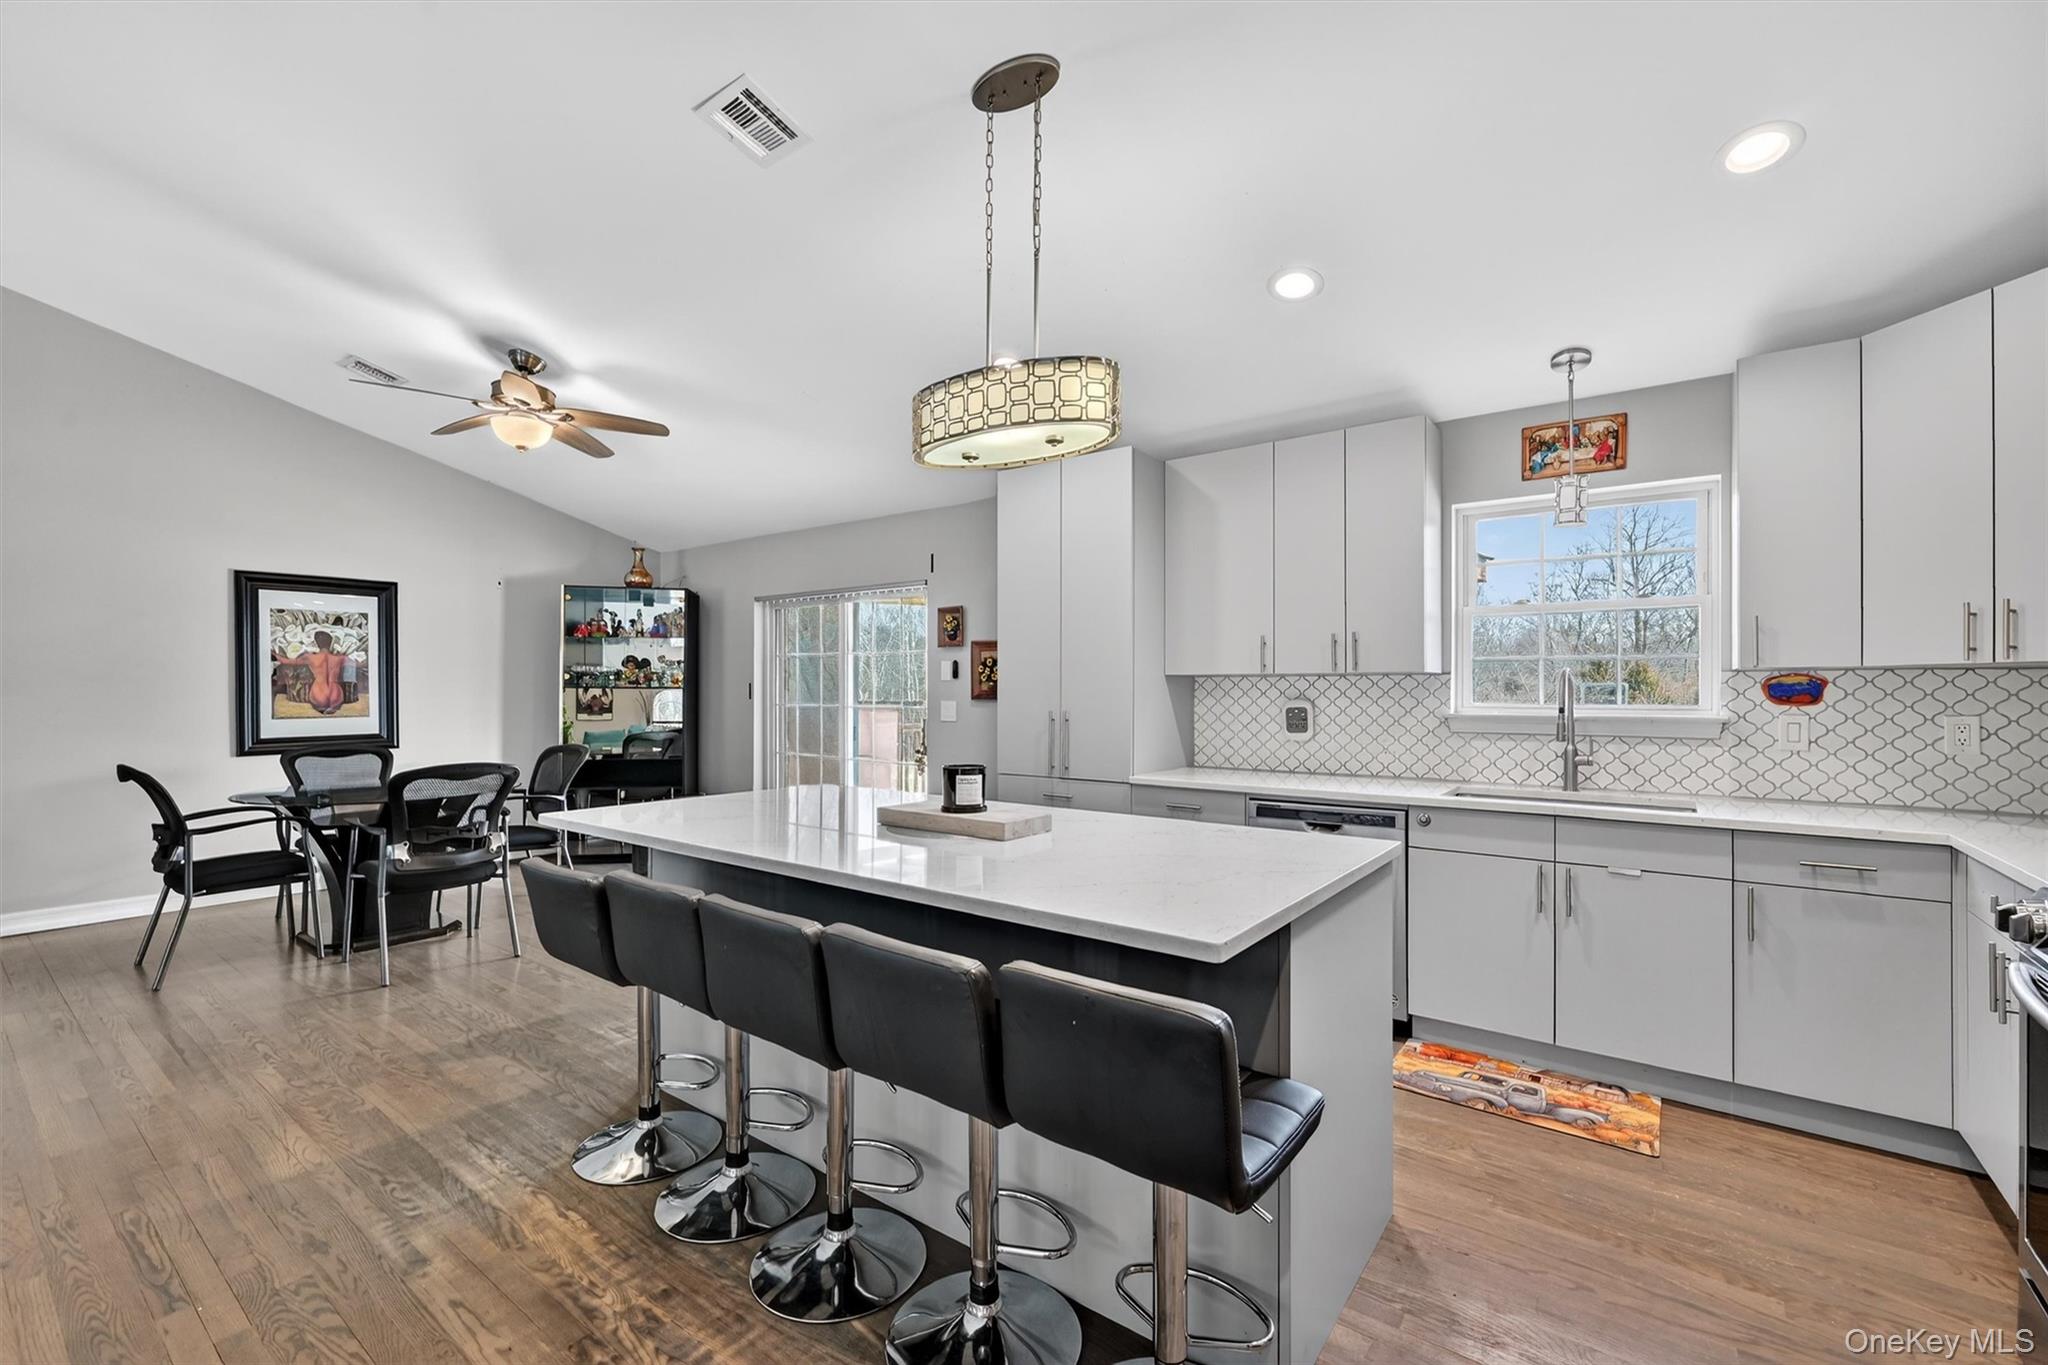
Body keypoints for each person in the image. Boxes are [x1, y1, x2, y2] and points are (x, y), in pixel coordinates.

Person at [275, 629, 350, 715]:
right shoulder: (340, 658)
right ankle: (332, 707)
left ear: (317, 643)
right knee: (333, 705)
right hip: (336, 694)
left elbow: (288, 661)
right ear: (330, 643)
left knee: (319, 705)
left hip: (318, 694)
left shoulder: (310, 657)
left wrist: (275, 655)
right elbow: (361, 663)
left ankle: (322, 708)